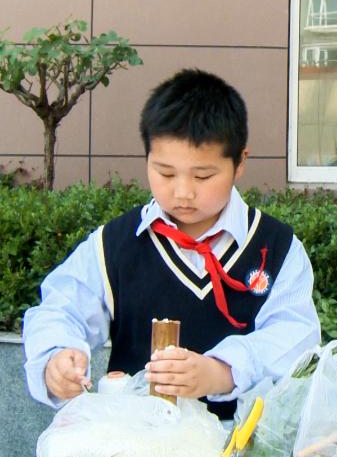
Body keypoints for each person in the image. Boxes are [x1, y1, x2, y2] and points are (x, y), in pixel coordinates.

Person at [23, 69, 321, 419]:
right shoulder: (114, 244)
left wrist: (221, 371)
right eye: (165, 173)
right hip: (135, 445)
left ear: (240, 162)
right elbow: (62, 307)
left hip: (240, 453)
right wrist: (57, 358)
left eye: (203, 176)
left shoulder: (277, 247)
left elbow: (294, 337)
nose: (182, 192)